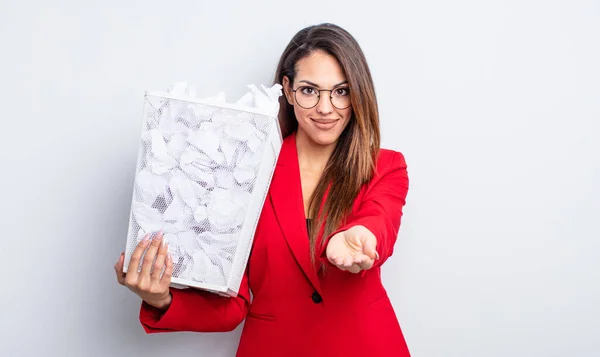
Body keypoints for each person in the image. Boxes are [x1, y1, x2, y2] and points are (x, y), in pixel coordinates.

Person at [115, 23, 411, 357]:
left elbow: (379, 220)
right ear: (287, 88)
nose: (326, 108)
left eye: (340, 91)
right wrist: (161, 298)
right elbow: (233, 306)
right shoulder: (243, 169)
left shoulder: (385, 166)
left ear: (357, 92)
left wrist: (361, 238)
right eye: (310, 90)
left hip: (365, 346)